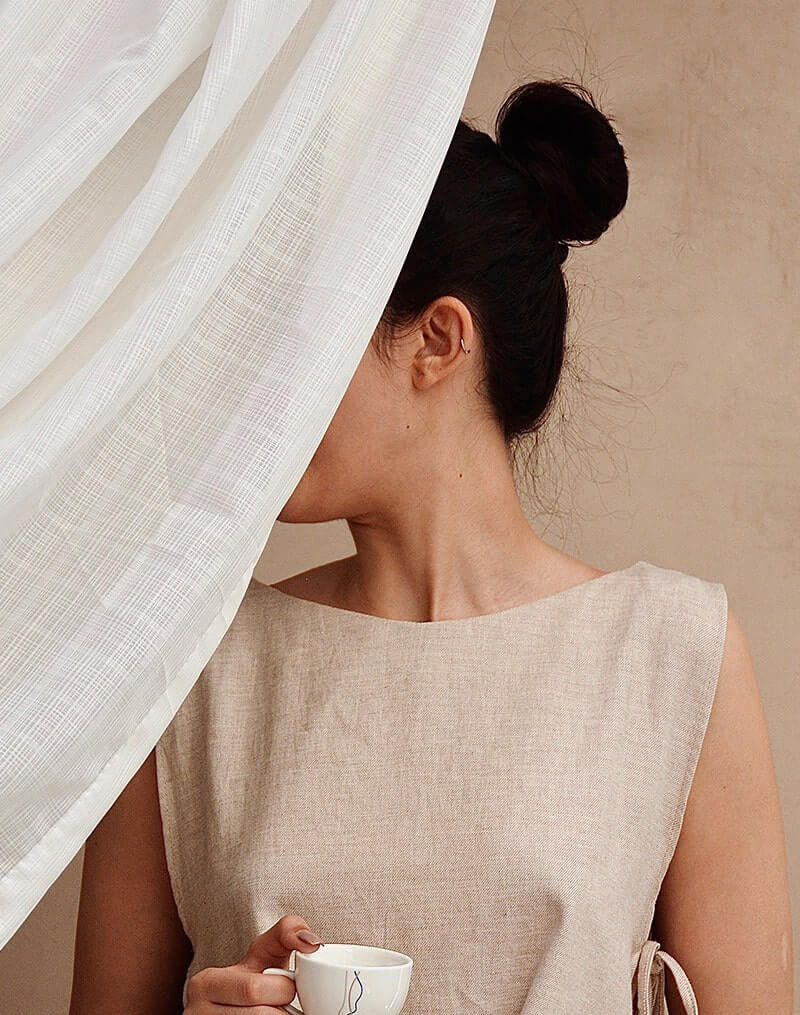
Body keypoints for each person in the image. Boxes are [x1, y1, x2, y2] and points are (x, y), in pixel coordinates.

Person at [70, 79, 793, 1014]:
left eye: (294, 344)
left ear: (439, 340)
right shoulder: (188, 665)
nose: (252, 395)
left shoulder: (673, 654)